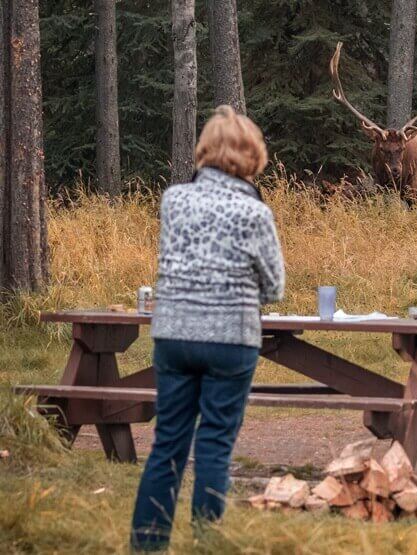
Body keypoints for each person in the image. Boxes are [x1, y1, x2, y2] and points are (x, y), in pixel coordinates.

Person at [131, 105, 285, 550]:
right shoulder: (255, 213)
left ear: (204, 150)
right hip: (229, 338)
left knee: (167, 445)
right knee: (214, 443)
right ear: (253, 155)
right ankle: (206, 544)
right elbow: (273, 287)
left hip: (174, 334)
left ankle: (147, 545)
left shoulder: (173, 200)